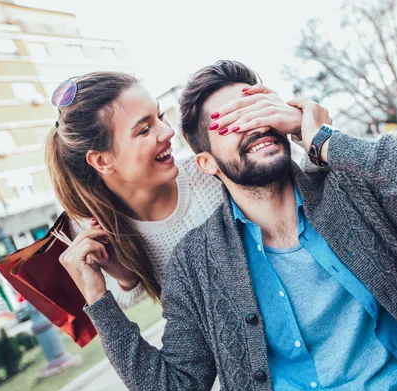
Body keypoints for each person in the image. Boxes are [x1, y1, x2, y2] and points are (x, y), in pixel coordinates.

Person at [66, 60, 397, 391]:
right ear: (206, 164)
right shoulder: (193, 264)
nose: (253, 123)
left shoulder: (347, 193)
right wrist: (98, 299)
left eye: (259, 108)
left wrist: (326, 140)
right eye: (230, 122)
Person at [47, 72, 306, 309]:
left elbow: (295, 190)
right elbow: (128, 298)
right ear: (102, 161)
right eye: (145, 129)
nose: (168, 131)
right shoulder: (92, 226)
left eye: (159, 116)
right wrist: (124, 275)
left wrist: (307, 133)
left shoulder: (210, 174)